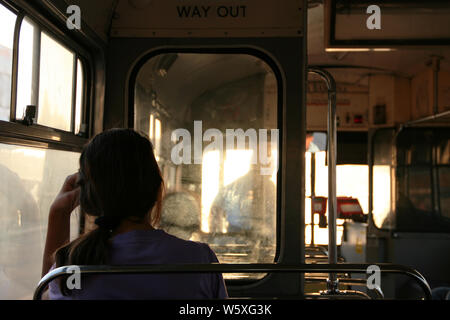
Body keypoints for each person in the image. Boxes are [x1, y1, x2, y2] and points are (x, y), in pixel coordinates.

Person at [41, 128, 227, 299]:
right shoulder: (200, 260)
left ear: (90, 197)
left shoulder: (71, 267)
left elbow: (45, 295)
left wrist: (58, 214)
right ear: (156, 190)